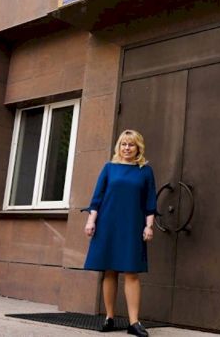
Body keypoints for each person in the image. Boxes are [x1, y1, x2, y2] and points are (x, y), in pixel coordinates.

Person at [84, 129, 157, 336]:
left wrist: (148, 226)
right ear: (119, 146)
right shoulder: (109, 168)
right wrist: (91, 221)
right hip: (107, 224)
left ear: (138, 148)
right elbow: (97, 198)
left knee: (131, 272)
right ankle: (109, 317)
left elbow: (150, 202)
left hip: (132, 225)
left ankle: (134, 323)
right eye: (123, 144)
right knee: (109, 270)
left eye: (131, 144)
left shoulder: (145, 171)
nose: (127, 148)